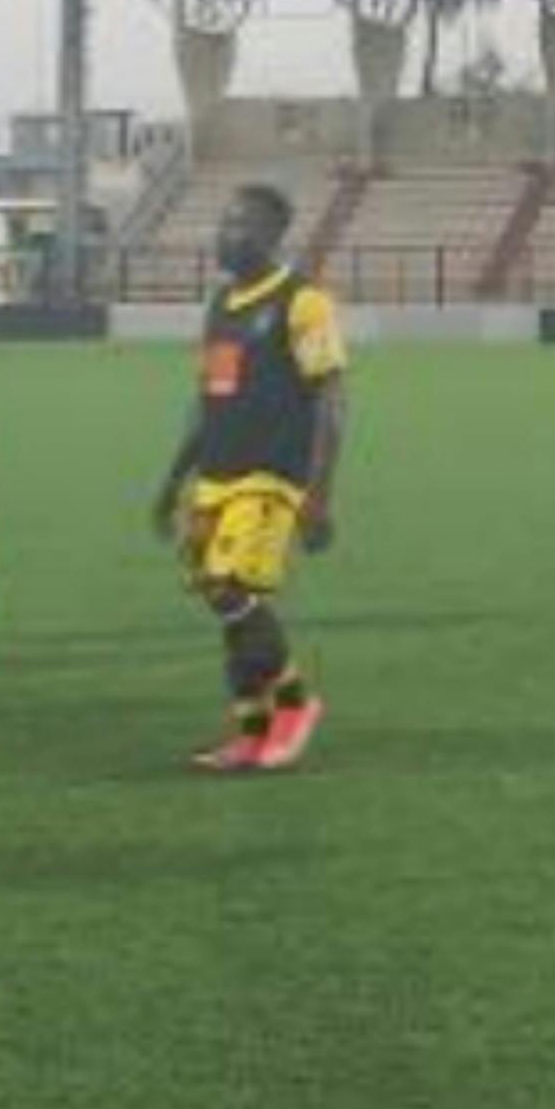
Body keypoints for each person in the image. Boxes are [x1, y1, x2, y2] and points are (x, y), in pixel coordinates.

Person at [151, 184, 345, 771]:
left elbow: (331, 400)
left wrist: (317, 494)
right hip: (216, 478)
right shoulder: (222, 305)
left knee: (230, 590)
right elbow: (210, 396)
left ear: (270, 236)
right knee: (228, 601)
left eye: (239, 226)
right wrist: (171, 484)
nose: (224, 235)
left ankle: (296, 702)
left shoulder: (301, 301)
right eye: (222, 223)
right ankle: (250, 731)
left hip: (269, 477)